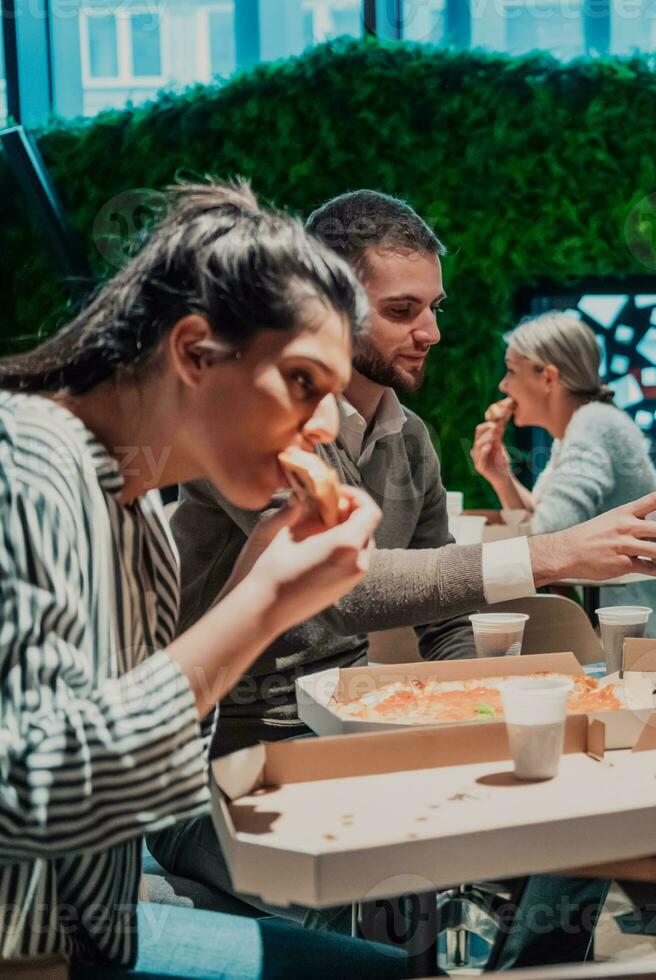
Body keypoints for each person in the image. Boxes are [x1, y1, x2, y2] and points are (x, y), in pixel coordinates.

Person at [154, 190, 656, 966]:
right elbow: (342, 589)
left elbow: (446, 626)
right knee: (385, 888)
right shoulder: (260, 424)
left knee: (581, 818)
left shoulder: (412, 441)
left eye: (433, 307)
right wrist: (549, 555)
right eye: (403, 309)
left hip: (348, 741)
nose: (432, 332)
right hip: (228, 771)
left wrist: (478, 733)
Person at [0, 181, 403, 975]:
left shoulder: (138, 506)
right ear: (193, 350)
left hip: (97, 927)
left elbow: (146, 779)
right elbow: (28, 794)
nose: (324, 427)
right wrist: (262, 606)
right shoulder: (26, 467)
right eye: (302, 383)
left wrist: (257, 593)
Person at [472, 310, 656, 640]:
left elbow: (548, 535)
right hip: (647, 636)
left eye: (511, 371)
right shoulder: (583, 427)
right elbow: (548, 533)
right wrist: (501, 477)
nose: (504, 385)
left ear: (548, 378)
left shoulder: (593, 426)